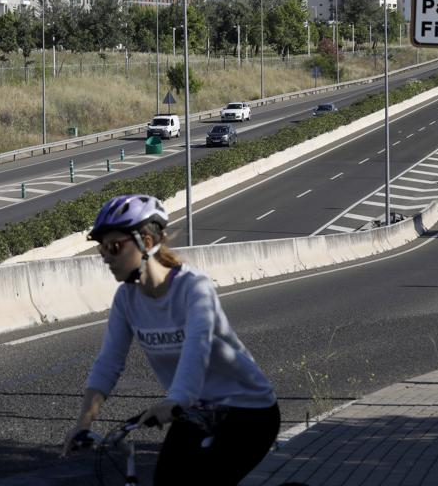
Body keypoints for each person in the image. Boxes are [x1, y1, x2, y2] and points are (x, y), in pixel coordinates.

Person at [61, 194, 280, 485]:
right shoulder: (126, 298)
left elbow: (196, 348)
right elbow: (109, 362)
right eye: (102, 250)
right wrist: (83, 423)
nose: (106, 258)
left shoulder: (193, 287)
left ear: (147, 243)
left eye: (114, 247)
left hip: (249, 411)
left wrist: (176, 400)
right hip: (195, 409)